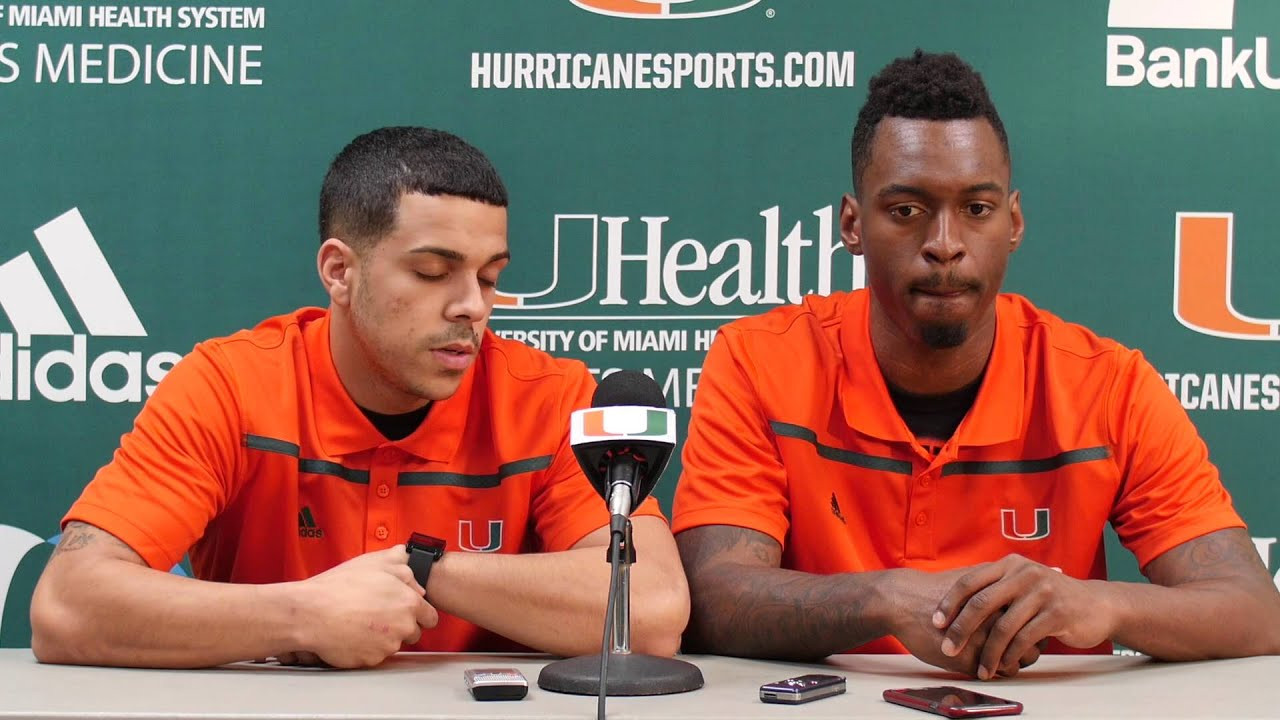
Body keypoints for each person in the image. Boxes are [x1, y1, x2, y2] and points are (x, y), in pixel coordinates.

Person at [671, 51, 1280, 679]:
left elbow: (1256, 612)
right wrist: (884, 599)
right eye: (906, 210)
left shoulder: (1107, 385)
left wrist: (1100, 603)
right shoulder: (761, 361)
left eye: (977, 209)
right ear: (852, 225)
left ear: (1013, 222)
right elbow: (711, 598)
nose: (944, 243)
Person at [30, 127, 690, 669]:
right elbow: (67, 604)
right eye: (433, 272)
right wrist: (304, 614)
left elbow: (653, 608)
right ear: (340, 271)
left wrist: (422, 569)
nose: (471, 306)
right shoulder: (230, 384)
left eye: (490, 278)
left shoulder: (547, 399)